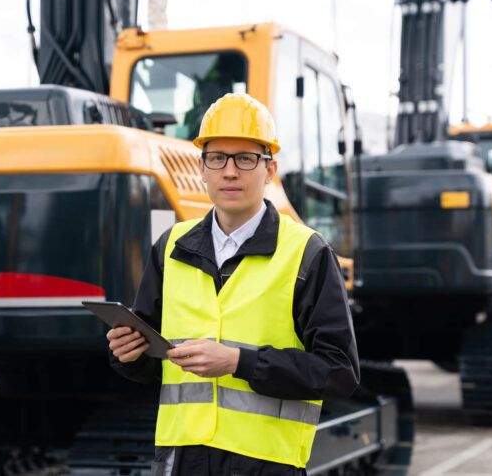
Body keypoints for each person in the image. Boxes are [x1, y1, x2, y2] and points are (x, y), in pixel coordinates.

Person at [106, 93, 360, 476]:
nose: (229, 171)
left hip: (266, 462)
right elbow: (154, 364)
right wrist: (128, 354)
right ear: (202, 167)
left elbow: (339, 372)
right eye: (217, 158)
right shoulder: (170, 247)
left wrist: (239, 362)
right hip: (182, 458)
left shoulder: (306, 253)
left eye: (245, 159)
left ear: (270, 169)